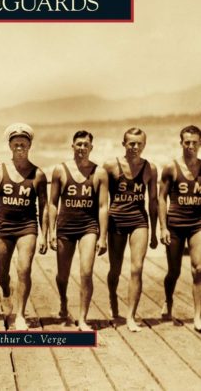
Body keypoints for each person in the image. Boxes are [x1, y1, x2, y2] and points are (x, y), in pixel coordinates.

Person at [0, 123, 48, 330]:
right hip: (4, 227)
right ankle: (5, 292)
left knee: (24, 268)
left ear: (30, 146)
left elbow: (44, 206)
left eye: (23, 144)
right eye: (16, 144)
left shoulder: (38, 174)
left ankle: (20, 314)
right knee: (1, 274)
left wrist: (44, 235)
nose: (20, 148)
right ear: (10, 146)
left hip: (27, 227)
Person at [49, 130, 108, 331]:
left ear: (91, 147)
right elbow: (52, 203)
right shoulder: (60, 170)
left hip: (88, 227)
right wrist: (50, 232)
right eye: (79, 144)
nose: (82, 147)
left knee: (86, 272)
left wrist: (103, 236)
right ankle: (64, 301)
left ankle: (83, 319)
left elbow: (102, 207)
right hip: (65, 227)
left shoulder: (99, 173)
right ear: (72, 146)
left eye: (86, 144)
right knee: (62, 275)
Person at [104, 127, 158, 332]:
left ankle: (130, 316)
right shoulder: (110, 166)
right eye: (131, 143)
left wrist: (154, 232)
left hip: (139, 221)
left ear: (144, 145)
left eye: (139, 143)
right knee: (115, 269)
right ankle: (112, 298)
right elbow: (100, 199)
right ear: (124, 144)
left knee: (137, 268)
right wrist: (100, 232)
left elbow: (153, 201)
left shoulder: (150, 169)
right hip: (116, 221)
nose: (135, 147)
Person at [159, 125, 201, 331]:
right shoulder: (171, 168)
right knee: (173, 271)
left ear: (200, 143)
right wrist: (163, 228)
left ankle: (198, 315)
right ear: (181, 143)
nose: (191, 146)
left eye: (194, 142)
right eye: (187, 142)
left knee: (199, 269)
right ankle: (168, 300)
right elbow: (161, 198)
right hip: (174, 225)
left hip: (197, 226)